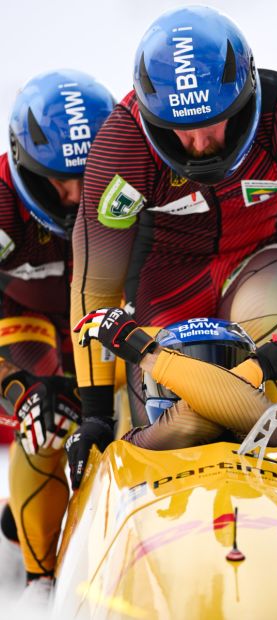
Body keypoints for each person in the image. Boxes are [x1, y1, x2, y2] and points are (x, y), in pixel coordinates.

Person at [69, 6, 277, 495]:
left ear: (247, 97)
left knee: (249, 354)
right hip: (165, 284)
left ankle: (270, 447)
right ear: (150, 117)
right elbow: (96, 285)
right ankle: (266, 421)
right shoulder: (122, 145)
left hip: (265, 261)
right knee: (168, 405)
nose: (199, 142)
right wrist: (96, 414)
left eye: (217, 121)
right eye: (177, 127)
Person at [0, 68, 114, 603]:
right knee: (46, 416)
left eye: (91, 176)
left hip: (104, 315)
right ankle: (38, 584)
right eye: (59, 180)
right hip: (26, 323)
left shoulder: (143, 174)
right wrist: (19, 390)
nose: (75, 196)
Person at [67, 308, 277, 466]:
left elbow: (215, 408)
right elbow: (188, 424)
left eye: (217, 366)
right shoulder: (137, 445)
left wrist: (144, 352)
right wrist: (257, 367)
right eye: (180, 383)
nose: (191, 388)